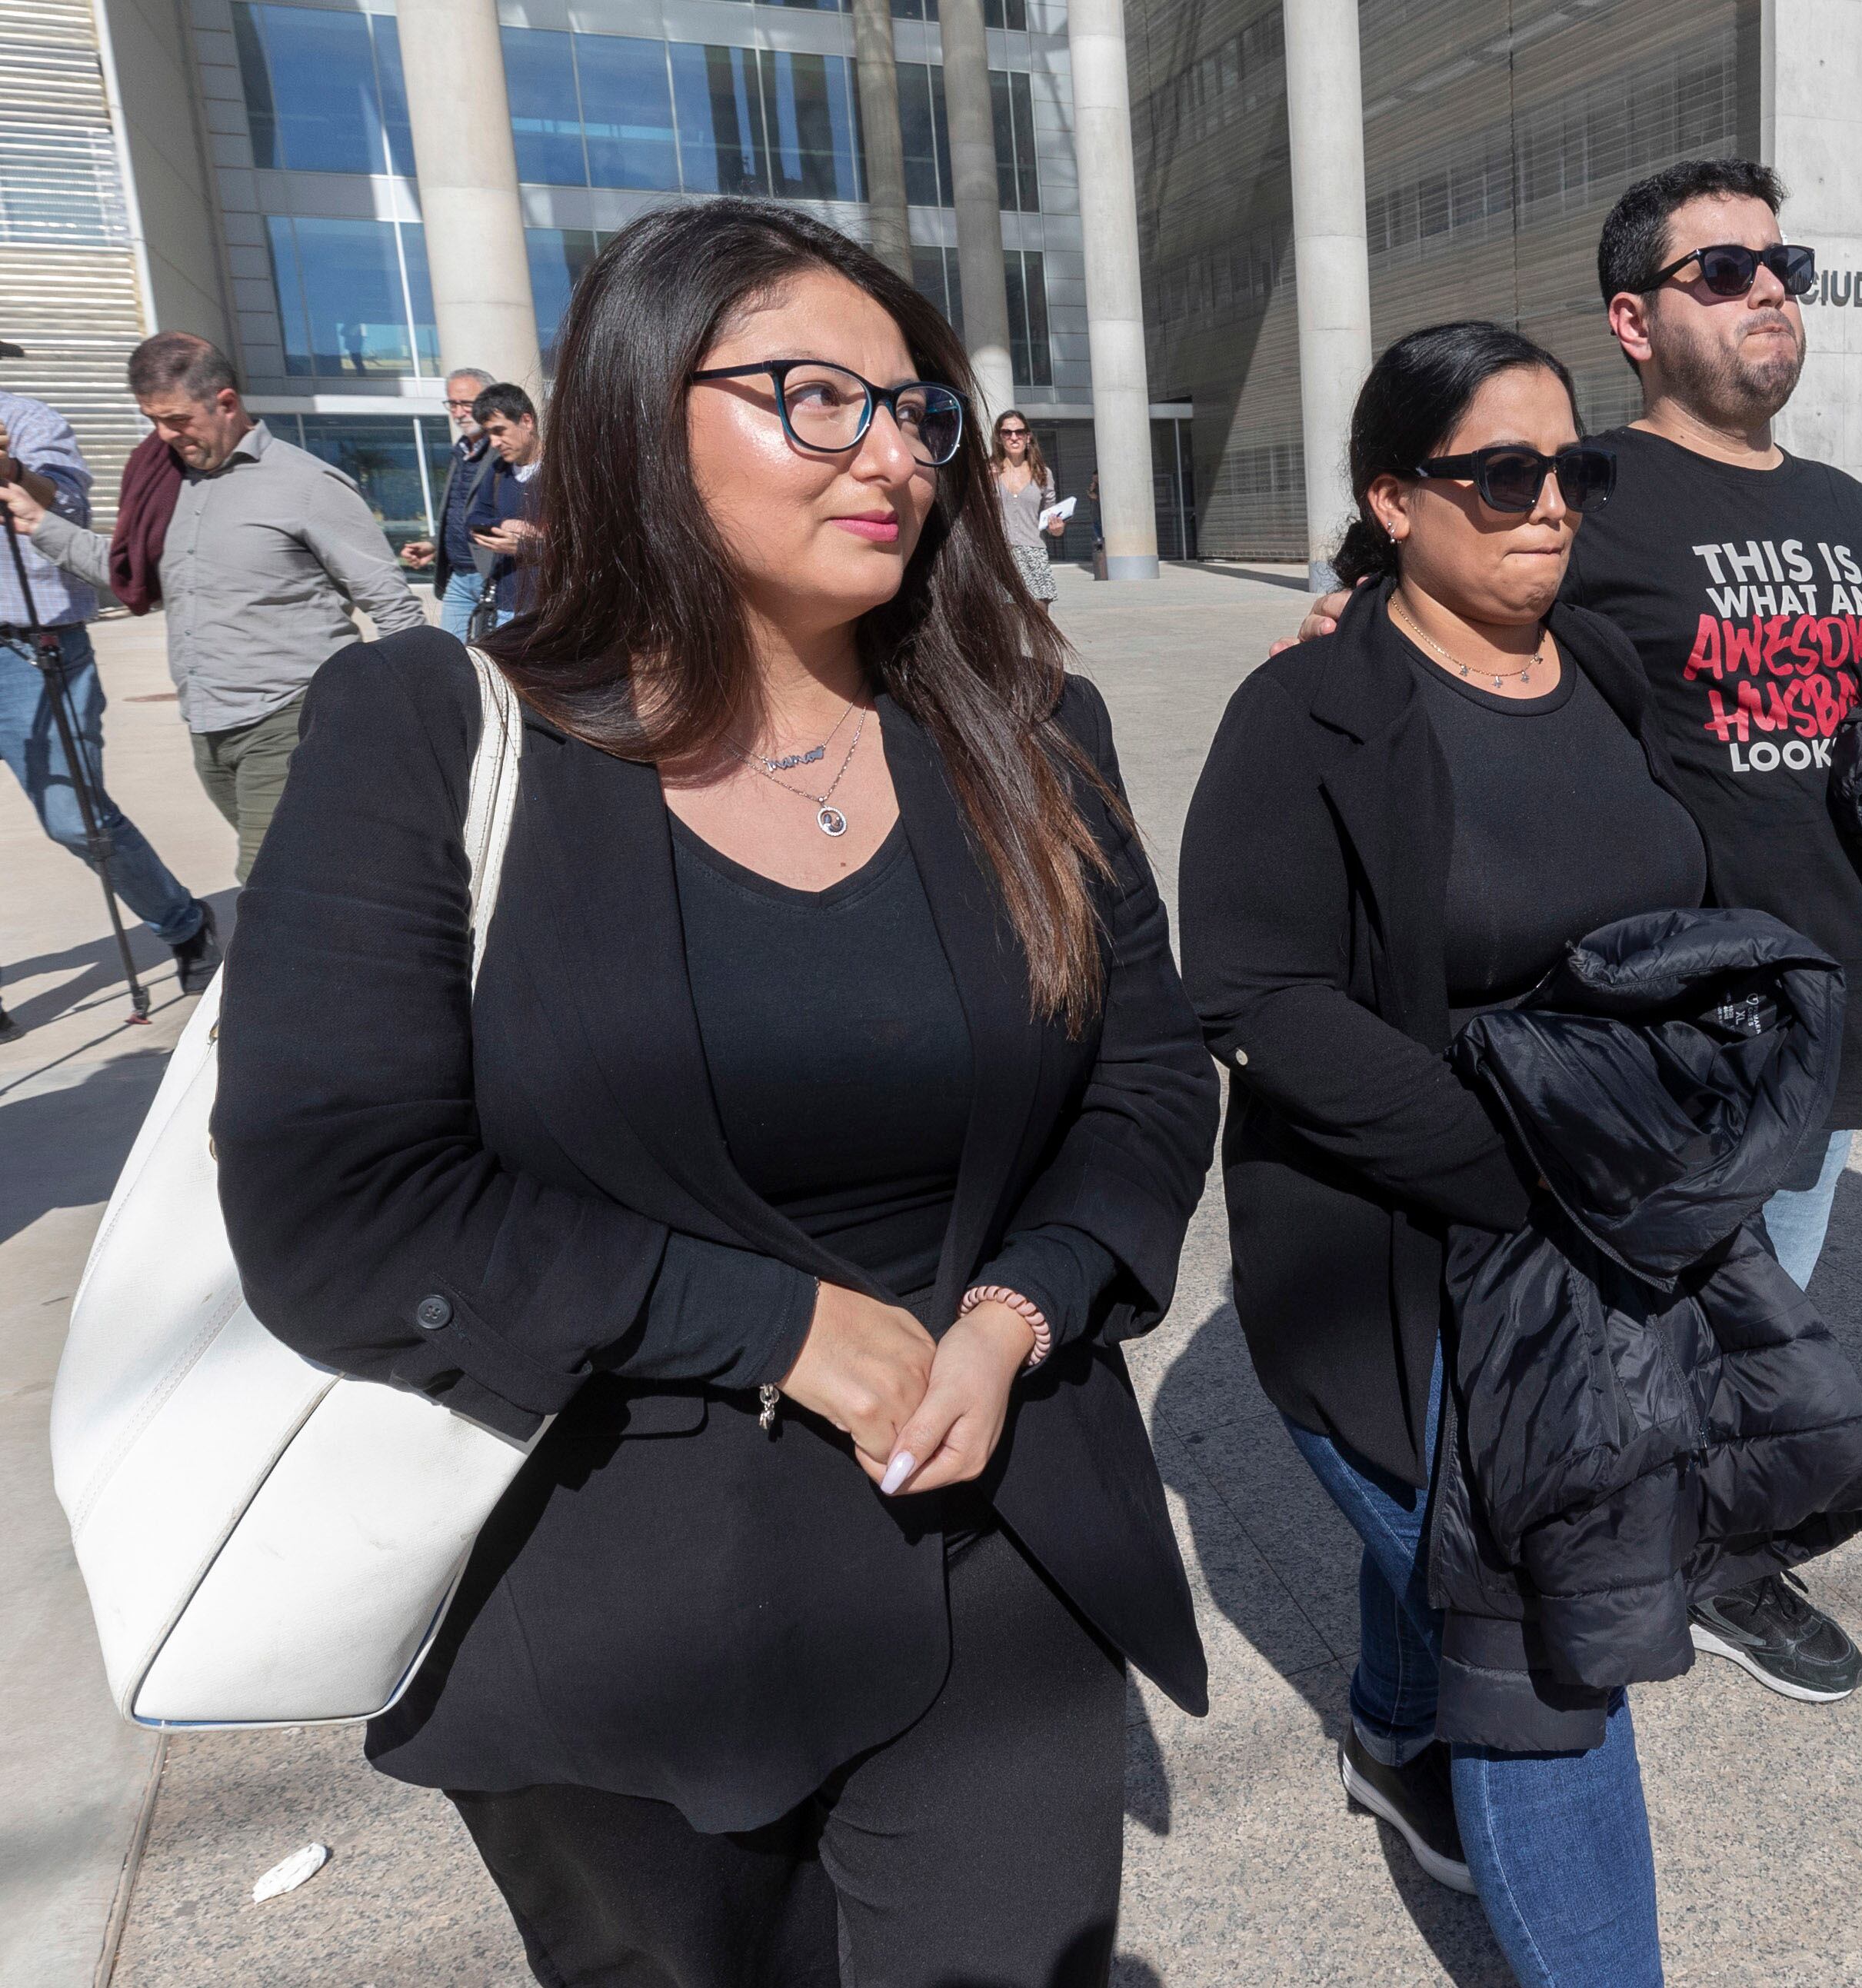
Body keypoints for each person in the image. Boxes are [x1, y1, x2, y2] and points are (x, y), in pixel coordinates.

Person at [209, 198, 1217, 1983]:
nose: (890, 451)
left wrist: (1015, 1310)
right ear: (631, 409)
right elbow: (336, 1203)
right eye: (812, 396)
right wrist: (771, 1322)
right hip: (607, 1603)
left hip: (992, 1528)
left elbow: (1141, 1074)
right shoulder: (425, 730)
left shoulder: (1024, 724)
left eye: (916, 408)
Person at [1286, 161, 1862, 1703]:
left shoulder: (1851, 511)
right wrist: (1345, 624)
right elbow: (1431, 605)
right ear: (1634, 320)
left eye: (1780, 259)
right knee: (1607, 1345)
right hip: (1652, 1028)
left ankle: (1720, 1556)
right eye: (1720, 271)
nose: (1767, 287)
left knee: (1758, 1316)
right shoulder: (1578, 491)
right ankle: (1488, 1639)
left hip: (1820, 1006)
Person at [1181, 322, 1707, 1985]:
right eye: (1503, 474)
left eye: (1574, 469)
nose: (1551, 505)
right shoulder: (1310, 712)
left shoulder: (1608, 671)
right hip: (1398, 1254)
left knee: (1458, 1564)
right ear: (1393, 499)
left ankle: (1392, 1736)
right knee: (1546, 1630)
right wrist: (1520, 1158)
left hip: (1597, 1234)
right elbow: (1254, 991)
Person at [0, 332, 424, 881]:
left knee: (270, 884)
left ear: (226, 402)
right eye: (152, 419)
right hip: (209, 728)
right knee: (323, 875)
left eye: (176, 419)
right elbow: (132, 574)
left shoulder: (307, 483)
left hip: (295, 718)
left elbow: (393, 606)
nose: (164, 436)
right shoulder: (167, 482)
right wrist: (37, 522)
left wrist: (417, 721)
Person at [0, 373, 221, 1031]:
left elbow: (59, 506)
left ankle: (183, 923)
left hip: (28, 645)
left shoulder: (29, 418)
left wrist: (9, 468)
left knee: (76, 817)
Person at [398, 367, 498, 636]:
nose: (458, 412)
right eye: (452, 404)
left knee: (499, 660)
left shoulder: (505, 452)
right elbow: (459, 511)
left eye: (466, 403)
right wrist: (433, 544)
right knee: (452, 655)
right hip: (458, 576)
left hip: (494, 576)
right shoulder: (461, 452)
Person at [463, 381, 545, 633]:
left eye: (500, 431)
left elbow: (588, 543)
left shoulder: (566, 472)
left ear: (527, 421)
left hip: (554, 609)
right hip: (506, 609)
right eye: (489, 434)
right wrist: (502, 524)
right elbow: (473, 521)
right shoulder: (498, 471)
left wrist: (531, 547)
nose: (495, 442)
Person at [991, 409, 1065, 610]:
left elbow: (1052, 521)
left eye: (1019, 432)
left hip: (1034, 554)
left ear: (1028, 436)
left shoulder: (1042, 473)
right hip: (1000, 555)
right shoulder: (988, 471)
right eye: (1007, 433)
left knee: (1039, 623)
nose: (1014, 437)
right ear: (1000, 438)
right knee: (1006, 628)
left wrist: (1057, 528)